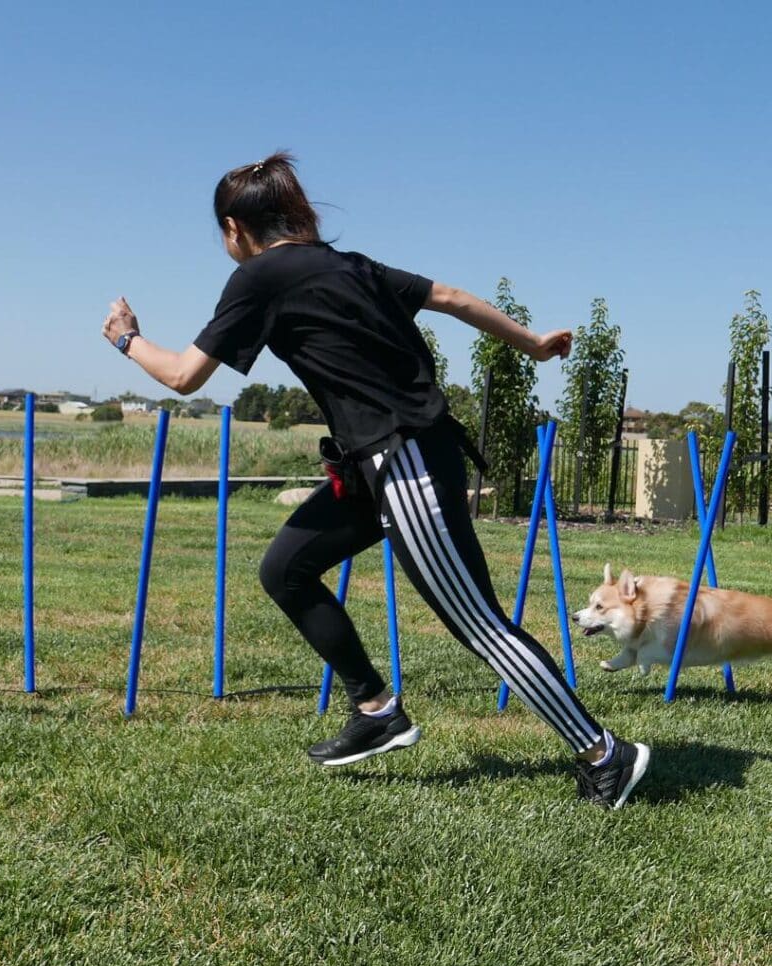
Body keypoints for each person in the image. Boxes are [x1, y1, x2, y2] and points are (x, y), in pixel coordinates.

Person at [100, 152, 650, 810]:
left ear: (232, 227)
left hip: (403, 461)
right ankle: (376, 707)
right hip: (376, 463)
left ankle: (603, 752)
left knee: (479, 624)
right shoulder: (349, 265)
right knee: (287, 570)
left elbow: (186, 375)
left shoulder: (260, 276)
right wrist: (529, 342)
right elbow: (450, 298)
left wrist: (127, 340)